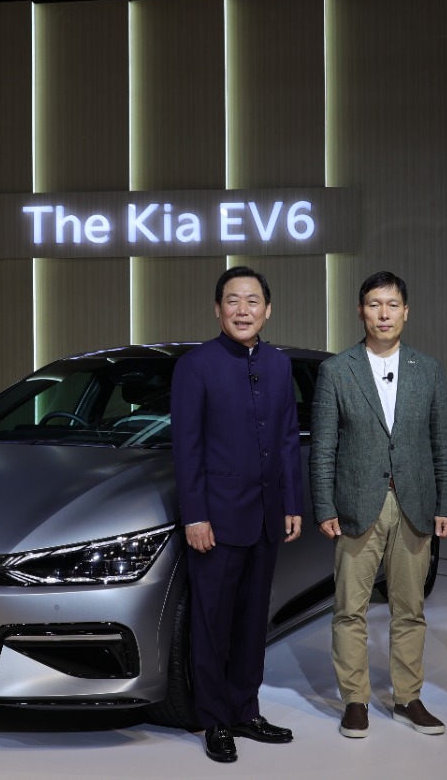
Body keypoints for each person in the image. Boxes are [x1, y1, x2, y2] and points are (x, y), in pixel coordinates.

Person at [310, 271, 447, 740]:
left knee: (409, 610)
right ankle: (355, 701)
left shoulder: (428, 369)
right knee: (349, 610)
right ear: (361, 311)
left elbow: (442, 443)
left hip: (415, 504)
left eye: (392, 305)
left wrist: (446, 503)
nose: (384, 314)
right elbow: (324, 447)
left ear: (406, 312)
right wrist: (324, 505)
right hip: (357, 504)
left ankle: (408, 698)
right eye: (374, 305)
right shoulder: (338, 370)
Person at [171, 265, 304, 764]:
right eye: (233, 300)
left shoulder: (278, 364)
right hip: (217, 520)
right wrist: (195, 515)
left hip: (267, 516)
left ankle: (245, 710)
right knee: (211, 624)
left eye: (252, 301)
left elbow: (287, 438)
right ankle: (214, 719)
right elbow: (186, 448)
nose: (243, 310)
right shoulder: (197, 365)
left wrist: (292, 503)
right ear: (217, 309)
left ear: (267, 309)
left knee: (252, 623)